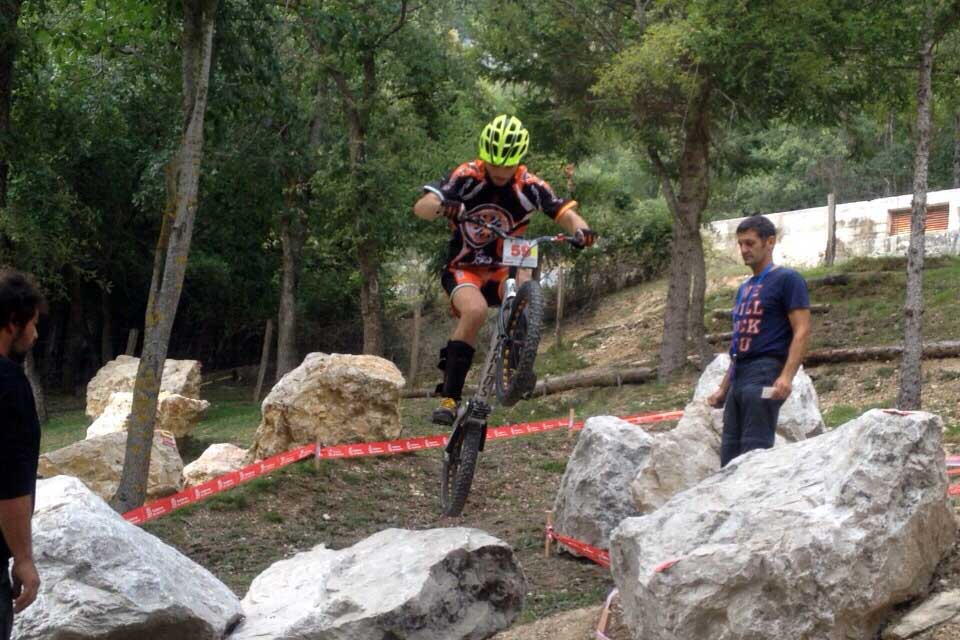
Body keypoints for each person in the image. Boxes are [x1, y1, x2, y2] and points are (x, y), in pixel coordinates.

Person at [413, 114, 595, 425]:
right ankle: (449, 396)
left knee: (525, 280)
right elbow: (422, 207)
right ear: (484, 157)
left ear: (518, 161)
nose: (499, 172)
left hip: (505, 264)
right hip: (465, 266)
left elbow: (566, 214)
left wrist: (583, 231)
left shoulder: (530, 186)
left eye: (506, 166)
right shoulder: (467, 176)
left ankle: (520, 362)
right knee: (476, 311)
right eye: (493, 165)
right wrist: (445, 206)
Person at [706, 215, 811, 467]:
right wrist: (723, 387)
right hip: (738, 377)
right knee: (729, 458)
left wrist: (786, 376)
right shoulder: (744, 289)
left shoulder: (788, 279)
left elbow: (803, 330)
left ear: (770, 242)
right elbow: (741, 343)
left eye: (750, 243)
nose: (744, 250)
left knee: (754, 457)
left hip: (765, 372)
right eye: (740, 244)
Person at [0, 270, 44, 638]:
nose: (35, 334)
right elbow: (9, 485)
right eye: (33, 323)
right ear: (13, 322)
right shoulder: (8, 385)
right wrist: (24, 559)